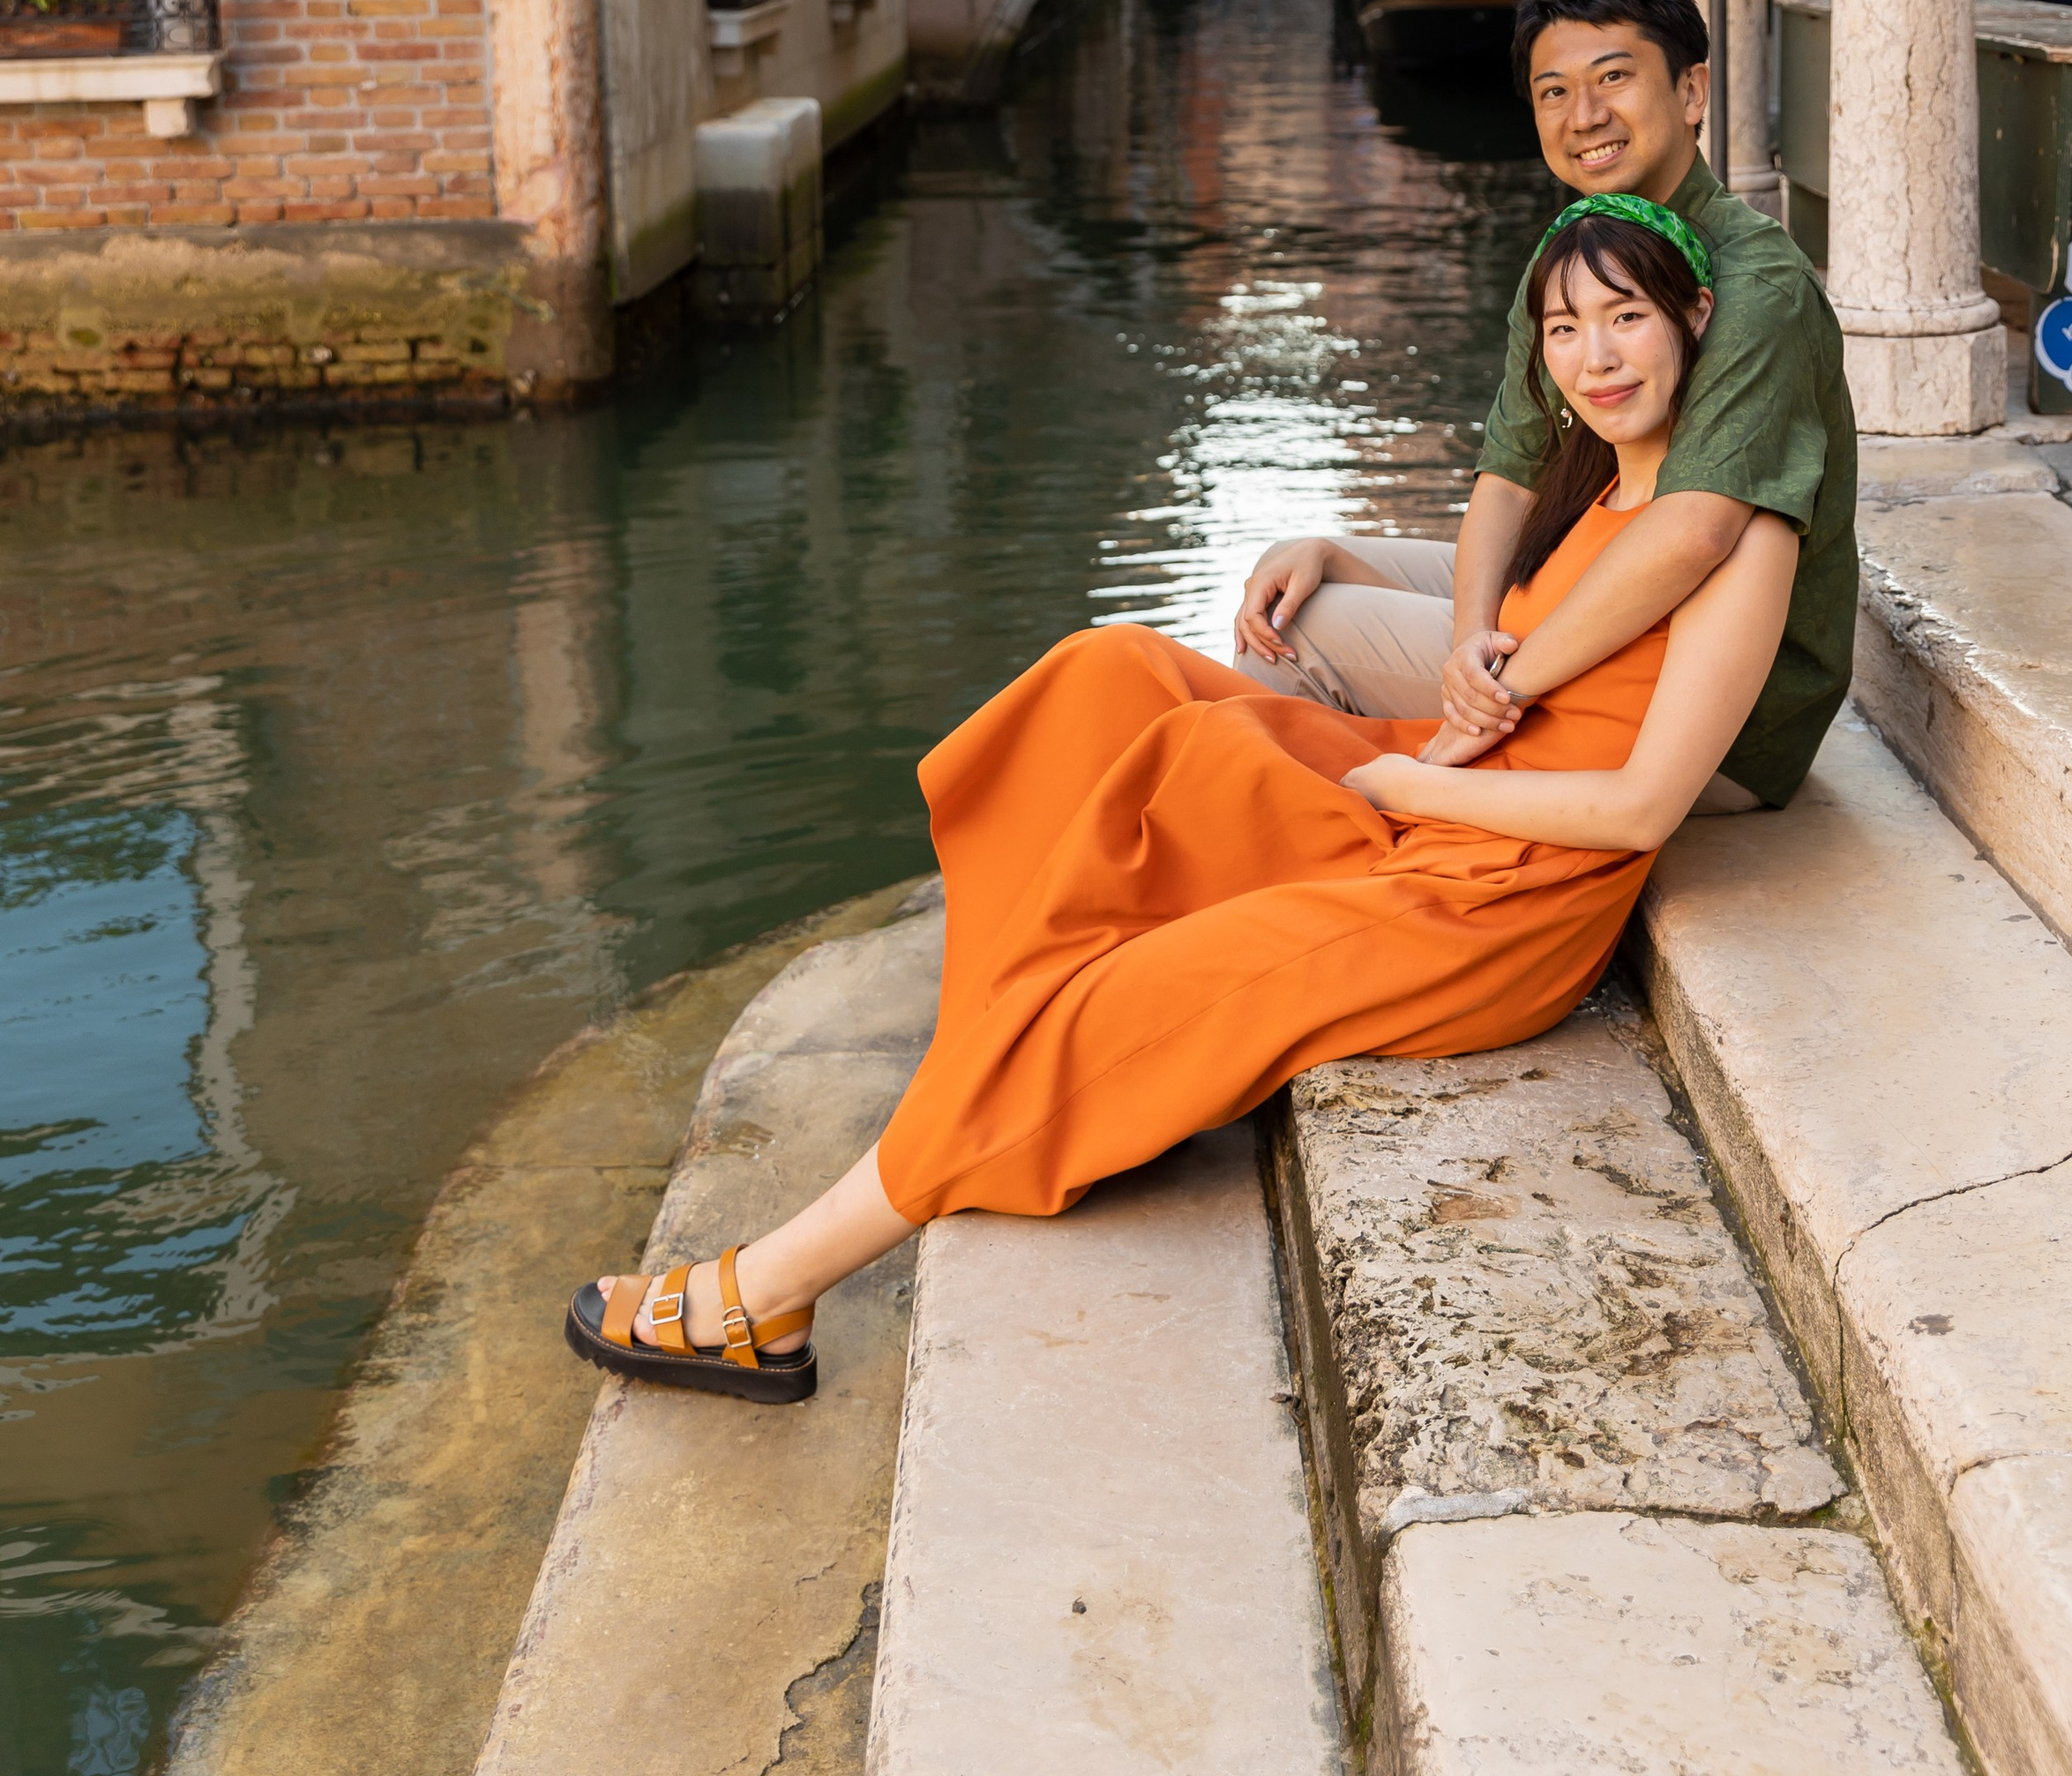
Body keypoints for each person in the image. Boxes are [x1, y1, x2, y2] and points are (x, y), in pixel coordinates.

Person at [565, 203, 1797, 1401]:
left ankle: (763, 1299)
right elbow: (1493, 623)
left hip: (1500, 894)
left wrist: (1418, 781)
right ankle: (992, 1034)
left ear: (1694, 317)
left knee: (1117, 1006)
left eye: (1624, 318)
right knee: (1111, 679)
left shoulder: (1739, 536)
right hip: (1434, 789)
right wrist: (1357, 588)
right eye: (1565, 330)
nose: (1595, 356)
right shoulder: (1596, 492)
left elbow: (1642, 809)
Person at [1233, 0, 1855, 814]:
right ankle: (1338, 818)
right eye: (1553, 91)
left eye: (1613, 78)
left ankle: (1332, 839)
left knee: (1297, 635)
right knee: (1296, 576)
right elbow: (1510, 475)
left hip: (1717, 714)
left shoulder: (1755, 285)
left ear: (1690, 93)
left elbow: (1692, 532)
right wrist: (1466, 654)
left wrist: (1497, 689)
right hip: (1608, 597)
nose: (1584, 114)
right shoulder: (1577, 254)